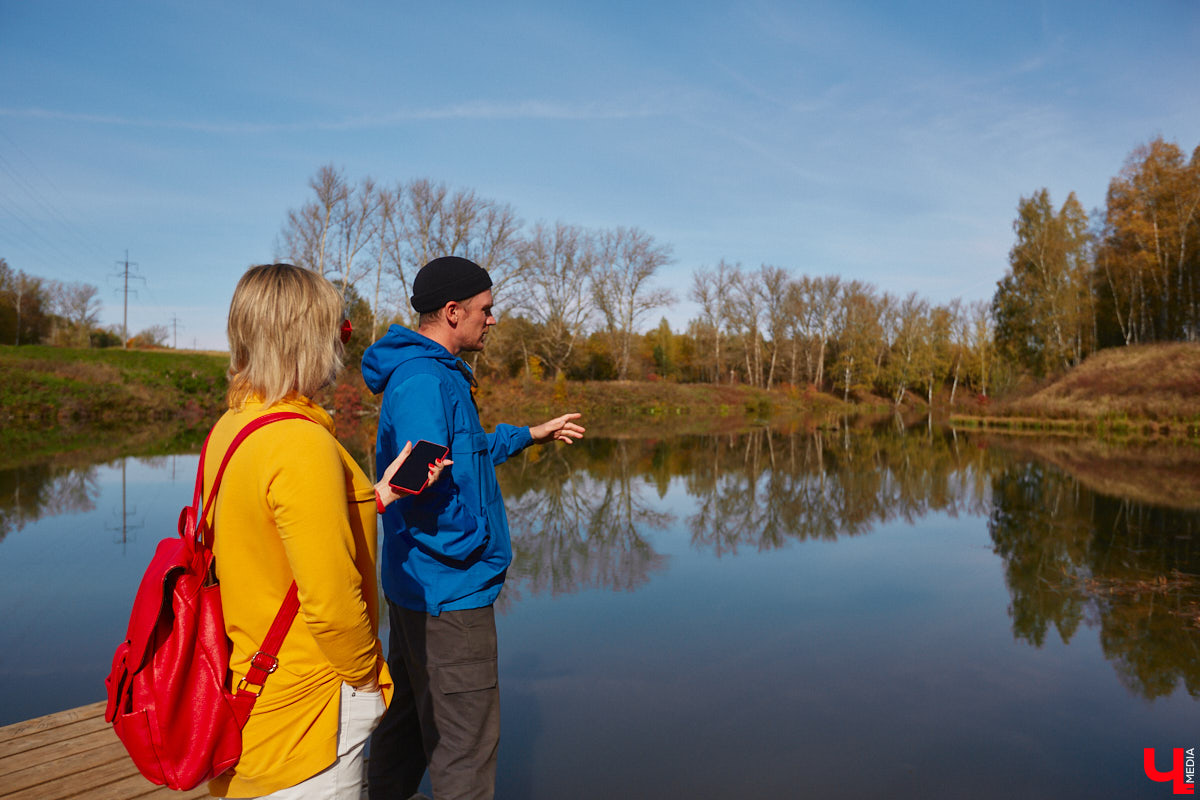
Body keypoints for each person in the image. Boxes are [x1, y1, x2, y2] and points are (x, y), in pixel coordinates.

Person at [207, 263, 448, 799]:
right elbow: (331, 600)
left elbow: (268, 538)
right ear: (308, 337)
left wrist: (378, 494)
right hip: (306, 711)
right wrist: (369, 680)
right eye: (338, 329)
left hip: (247, 691)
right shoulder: (301, 443)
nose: (343, 346)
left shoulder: (233, 427)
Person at [362, 256, 585, 800]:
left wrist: (531, 434)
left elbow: (465, 455)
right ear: (453, 311)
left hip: (425, 590)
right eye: (486, 310)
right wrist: (472, 544)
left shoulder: (435, 374)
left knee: (409, 728)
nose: (492, 319)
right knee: (466, 749)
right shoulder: (422, 380)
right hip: (449, 595)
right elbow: (419, 474)